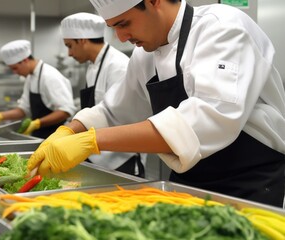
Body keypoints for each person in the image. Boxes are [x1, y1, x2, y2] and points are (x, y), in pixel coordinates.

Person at [27, 0, 285, 207]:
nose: (120, 37)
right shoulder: (145, 55)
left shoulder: (223, 27)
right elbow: (115, 110)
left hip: (248, 180)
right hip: (189, 180)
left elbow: (208, 119)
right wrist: (71, 130)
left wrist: (91, 142)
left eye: (124, 23)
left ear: (154, 1)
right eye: (113, 27)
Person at [60, 12, 145, 177]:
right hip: (95, 155)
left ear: (83, 39)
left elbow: (123, 117)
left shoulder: (118, 66)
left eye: (69, 45)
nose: (69, 53)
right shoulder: (93, 66)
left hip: (121, 160)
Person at [0, 40, 76, 139]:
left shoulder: (50, 76)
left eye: (15, 68)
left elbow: (66, 111)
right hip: (39, 136)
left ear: (25, 60)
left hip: (57, 137)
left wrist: (37, 123)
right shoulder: (30, 77)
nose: (15, 73)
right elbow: (23, 110)